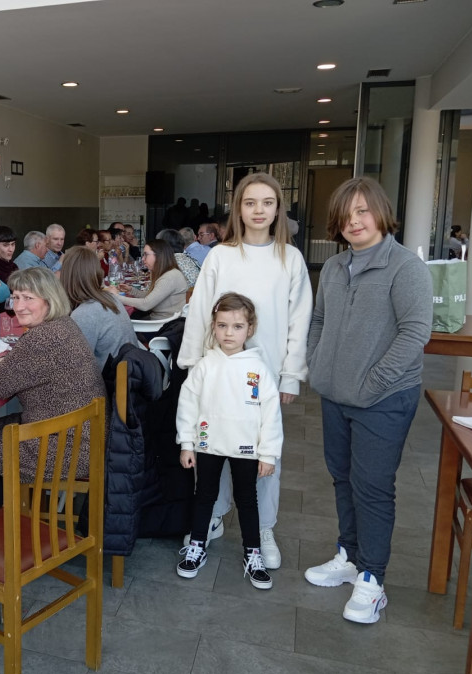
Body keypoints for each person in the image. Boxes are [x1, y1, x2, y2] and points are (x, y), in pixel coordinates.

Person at [304, 177, 432, 624]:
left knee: (373, 487)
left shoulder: (404, 267)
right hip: (336, 394)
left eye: (363, 211)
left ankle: (373, 579)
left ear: (380, 212)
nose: (354, 221)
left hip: (384, 398)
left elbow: (416, 333)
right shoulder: (336, 268)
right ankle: (350, 556)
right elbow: (318, 322)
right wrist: (317, 364)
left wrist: (373, 380)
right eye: (346, 214)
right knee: (342, 477)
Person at [177, 172, 312, 571]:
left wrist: (290, 375)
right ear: (238, 208)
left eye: (266, 203)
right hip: (217, 373)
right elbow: (201, 312)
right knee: (213, 445)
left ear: (277, 209)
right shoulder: (220, 255)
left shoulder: (290, 258)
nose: (258, 210)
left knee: (265, 453)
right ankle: (214, 514)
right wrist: (192, 365)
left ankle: (264, 528)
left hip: (264, 375)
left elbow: (298, 321)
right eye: (250, 202)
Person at [0, 267, 106, 517]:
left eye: (28, 298)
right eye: (15, 297)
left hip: (67, 446)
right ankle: (14, 514)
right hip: (86, 434)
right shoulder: (64, 324)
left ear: (49, 300)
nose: (19, 306)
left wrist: (0, 364)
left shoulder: (41, 339)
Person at [176, 293, 281, 590]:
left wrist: (268, 454)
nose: (229, 333)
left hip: (246, 449)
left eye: (237, 326)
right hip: (208, 445)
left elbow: (271, 414)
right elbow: (188, 405)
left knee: (247, 500)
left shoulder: (258, 368)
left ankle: (253, 553)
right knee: (204, 496)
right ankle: (197, 545)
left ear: (250, 328)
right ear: (213, 326)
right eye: (222, 326)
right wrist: (187, 443)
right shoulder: (205, 366)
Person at [60, 246, 138, 369]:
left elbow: (76, 364)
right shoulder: (110, 298)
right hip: (129, 374)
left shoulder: (84, 313)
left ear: (67, 275)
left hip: (107, 383)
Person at [107, 239, 188, 320]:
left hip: (161, 326)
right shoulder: (167, 273)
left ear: (159, 255)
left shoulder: (170, 277)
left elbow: (145, 305)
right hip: (159, 320)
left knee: (118, 320)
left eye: (146, 254)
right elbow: (151, 297)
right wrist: (131, 290)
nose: (143, 259)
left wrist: (116, 297)